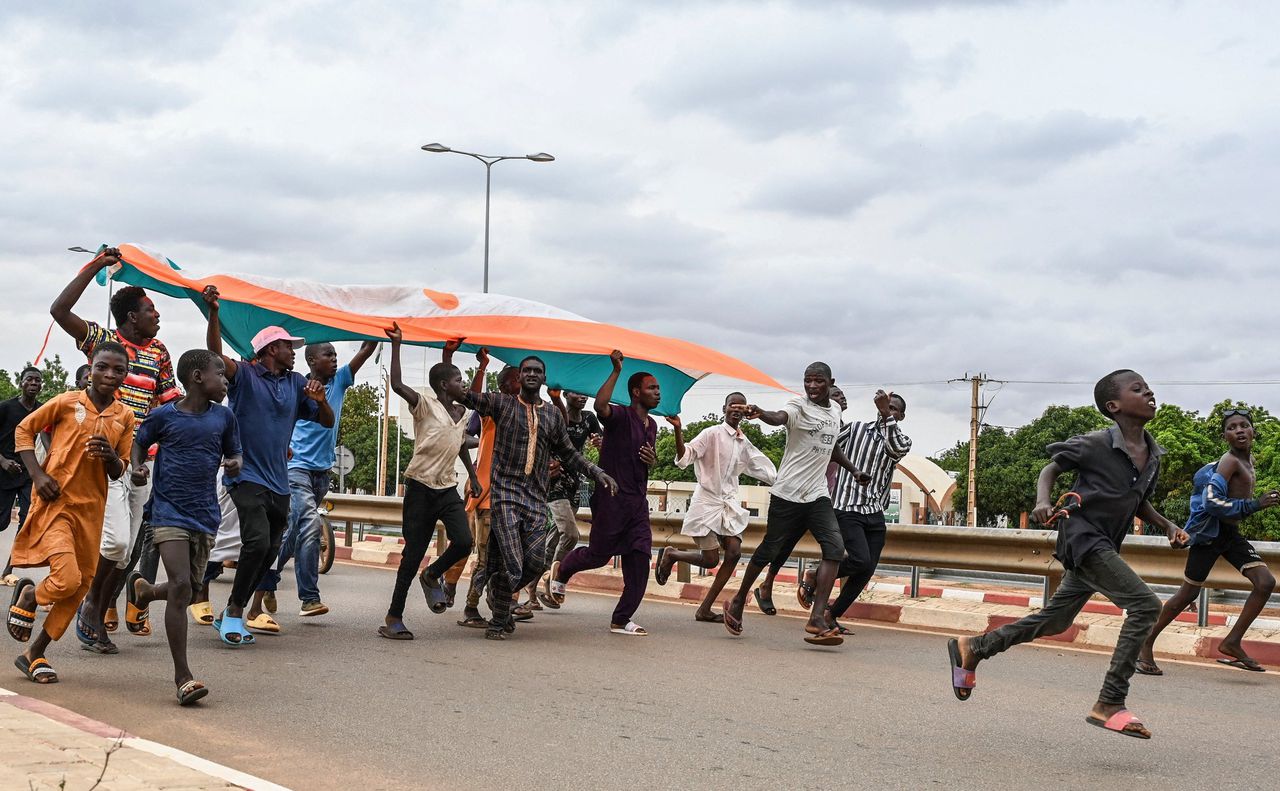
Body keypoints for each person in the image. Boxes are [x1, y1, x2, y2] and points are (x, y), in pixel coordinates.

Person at [946, 370, 1187, 739]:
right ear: (1114, 405)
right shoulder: (1096, 444)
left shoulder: (1152, 455)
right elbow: (1051, 468)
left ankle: (975, 647)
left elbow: (1139, 502)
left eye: (1148, 387)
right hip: (1084, 540)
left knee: (1056, 621)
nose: (1149, 392)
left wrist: (1169, 525)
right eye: (1137, 389)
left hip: (1104, 544)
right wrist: (1043, 500)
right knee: (1146, 606)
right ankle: (1110, 701)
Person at [49, 247, 180, 650]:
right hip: (103, 459)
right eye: (150, 310)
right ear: (130, 318)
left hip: (144, 463)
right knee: (117, 543)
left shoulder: (159, 352)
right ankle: (89, 604)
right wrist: (96, 266)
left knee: (127, 552)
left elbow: (168, 405)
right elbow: (59, 310)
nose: (157, 316)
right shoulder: (104, 343)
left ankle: (97, 610)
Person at [202, 285, 332, 645]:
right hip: (244, 475)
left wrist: (320, 401)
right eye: (289, 346)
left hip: (280, 482)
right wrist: (214, 312)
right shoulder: (243, 375)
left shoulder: (296, 383)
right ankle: (232, 613)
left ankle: (235, 609)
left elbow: (326, 421)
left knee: (272, 551)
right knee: (257, 542)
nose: (294, 352)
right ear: (272, 349)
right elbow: (214, 354)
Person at [463, 349, 616, 640]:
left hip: (535, 498)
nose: (532, 374)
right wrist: (456, 363)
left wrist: (597, 472)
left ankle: (499, 590)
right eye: (527, 370)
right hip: (505, 494)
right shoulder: (503, 404)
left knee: (533, 562)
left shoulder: (551, 416)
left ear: (544, 378)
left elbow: (570, 454)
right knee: (513, 560)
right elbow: (469, 398)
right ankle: (499, 618)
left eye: (537, 371)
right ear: (519, 377)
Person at [6, 343, 133, 684]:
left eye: (117, 370)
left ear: (125, 374)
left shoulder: (125, 416)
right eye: (103, 367)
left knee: (80, 587)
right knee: (67, 579)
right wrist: (37, 474)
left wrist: (110, 456)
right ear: (90, 367)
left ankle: (35, 652)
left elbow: (120, 470)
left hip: (93, 511)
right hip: (56, 504)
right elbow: (24, 430)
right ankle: (32, 595)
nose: (109, 375)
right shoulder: (66, 402)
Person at [720, 362, 871, 646]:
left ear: (830, 382)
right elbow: (779, 417)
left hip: (817, 494)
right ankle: (739, 600)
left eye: (818, 382)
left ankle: (816, 619)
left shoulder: (835, 411)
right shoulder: (797, 406)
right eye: (808, 381)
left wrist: (853, 469)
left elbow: (831, 445)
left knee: (835, 550)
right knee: (769, 549)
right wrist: (761, 413)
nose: (812, 387)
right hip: (788, 493)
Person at [125, 350, 242, 704]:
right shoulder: (164, 416)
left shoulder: (224, 418)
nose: (225, 381)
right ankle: (183, 677)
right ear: (196, 377)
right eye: (219, 374)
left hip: (204, 515)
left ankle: (144, 592)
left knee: (188, 591)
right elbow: (139, 443)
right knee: (179, 587)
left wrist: (235, 463)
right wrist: (138, 466)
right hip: (168, 512)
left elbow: (235, 452)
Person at [1137, 409, 1280, 675]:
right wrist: (1255, 505)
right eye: (1232, 427)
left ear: (1253, 431)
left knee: (1265, 582)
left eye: (1244, 425)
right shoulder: (1229, 462)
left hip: (1229, 536)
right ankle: (1145, 643)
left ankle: (1232, 641)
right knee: (1186, 595)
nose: (1239, 430)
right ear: (1225, 436)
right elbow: (1212, 502)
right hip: (1211, 537)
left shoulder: (1250, 460)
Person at [254, 339, 376, 626]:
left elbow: (365, 349)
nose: (334, 359)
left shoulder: (341, 380)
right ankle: (309, 598)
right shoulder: (296, 387)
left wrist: (380, 327)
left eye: (335, 354)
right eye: (328, 355)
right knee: (310, 525)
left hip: (322, 473)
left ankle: (265, 582)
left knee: (293, 534)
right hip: (295, 469)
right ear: (311, 361)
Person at [379, 326, 481, 640]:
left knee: (465, 542)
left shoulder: (462, 412)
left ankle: (432, 574)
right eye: (458, 381)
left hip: (447, 488)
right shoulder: (425, 406)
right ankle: (394, 616)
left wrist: (474, 477)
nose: (463, 386)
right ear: (443, 386)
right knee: (412, 555)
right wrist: (397, 345)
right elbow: (396, 384)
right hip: (420, 487)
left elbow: (460, 444)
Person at [546, 350, 655, 636]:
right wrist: (616, 371)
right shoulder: (620, 415)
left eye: (658, 389)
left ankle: (622, 618)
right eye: (652, 388)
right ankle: (563, 571)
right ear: (635, 392)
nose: (657, 393)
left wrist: (651, 460)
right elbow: (601, 405)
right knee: (598, 555)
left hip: (637, 504)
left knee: (641, 557)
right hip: (611, 499)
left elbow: (645, 459)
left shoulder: (652, 425)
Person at [653, 392, 776, 623]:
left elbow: (762, 467)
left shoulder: (743, 443)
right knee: (710, 560)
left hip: (728, 504)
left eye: (741, 406)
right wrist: (678, 430)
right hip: (706, 503)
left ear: (745, 412)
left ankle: (704, 609)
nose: (736, 409)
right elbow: (685, 456)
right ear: (724, 409)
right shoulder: (711, 434)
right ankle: (672, 554)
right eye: (732, 405)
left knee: (734, 552)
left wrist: (785, 484)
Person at [818, 389, 911, 634]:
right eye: (886, 406)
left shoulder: (901, 439)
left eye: (894, 409)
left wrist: (885, 416)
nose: (888, 410)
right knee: (860, 559)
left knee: (866, 569)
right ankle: (815, 576)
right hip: (847, 505)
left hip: (874, 509)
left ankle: (831, 613)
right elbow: (831, 442)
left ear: (900, 416)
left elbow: (896, 450)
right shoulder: (857, 428)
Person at [754, 384, 849, 614]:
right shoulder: (808, 417)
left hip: (823, 494)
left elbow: (840, 453)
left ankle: (815, 588)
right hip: (796, 493)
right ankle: (766, 586)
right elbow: (780, 417)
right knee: (784, 544)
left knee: (837, 549)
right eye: (837, 394)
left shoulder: (840, 424)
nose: (841, 398)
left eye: (842, 395)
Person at [452, 363, 520, 629]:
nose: (524, 382)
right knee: (485, 557)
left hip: (515, 498)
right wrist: (481, 368)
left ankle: (499, 603)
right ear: (504, 386)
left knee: (511, 557)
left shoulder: (528, 414)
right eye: (517, 379)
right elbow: (473, 398)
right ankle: (471, 606)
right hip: (490, 497)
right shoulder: (494, 411)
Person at [528, 388, 601, 611]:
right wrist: (548, 461)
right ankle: (555, 580)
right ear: (565, 395)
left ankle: (531, 590)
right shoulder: (554, 415)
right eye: (576, 393)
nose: (582, 396)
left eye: (584, 393)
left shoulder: (589, 418)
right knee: (570, 534)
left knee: (553, 540)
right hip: (553, 482)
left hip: (575, 483)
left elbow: (601, 440)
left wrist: (600, 442)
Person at [1, 368, 45, 586]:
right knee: (1, 522)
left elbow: (47, 439)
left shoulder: (42, 410)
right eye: (29, 379)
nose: (34, 383)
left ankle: (8, 570)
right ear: (21, 383)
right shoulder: (6, 408)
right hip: (3, 471)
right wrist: (2, 461)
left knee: (27, 520)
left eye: (38, 380)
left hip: (28, 473)